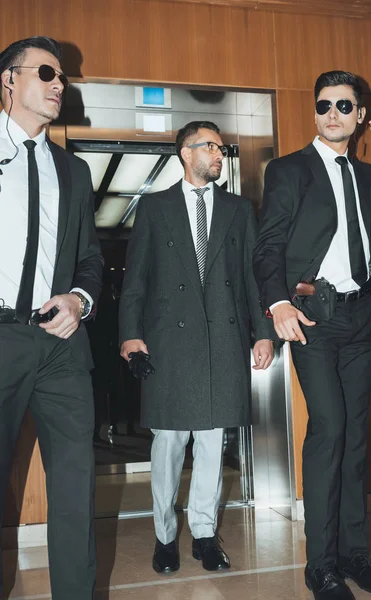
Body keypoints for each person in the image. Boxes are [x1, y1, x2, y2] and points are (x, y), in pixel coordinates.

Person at [253, 70, 371, 600]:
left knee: (358, 436)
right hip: (315, 316)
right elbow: (267, 246)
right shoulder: (289, 171)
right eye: (324, 105)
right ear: (315, 113)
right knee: (330, 429)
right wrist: (277, 305)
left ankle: (356, 556)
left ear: (362, 115)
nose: (332, 113)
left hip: (365, 317)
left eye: (344, 105)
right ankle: (321, 566)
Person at [119, 121, 274, 574]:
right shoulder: (154, 208)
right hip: (169, 343)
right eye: (211, 147)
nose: (219, 154)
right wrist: (131, 334)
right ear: (186, 153)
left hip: (223, 340)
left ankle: (204, 535)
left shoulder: (239, 208)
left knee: (211, 442)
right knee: (168, 442)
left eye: (221, 147)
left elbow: (250, 275)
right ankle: (165, 536)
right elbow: (137, 280)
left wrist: (262, 331)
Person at [0, 37, 103, 599]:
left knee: (74, 485)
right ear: (9, 80)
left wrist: (78, 300)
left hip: (62, 345)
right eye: (47, 72)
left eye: (62, 76)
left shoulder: (75, 171)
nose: (59, 83)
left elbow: (90, 258)